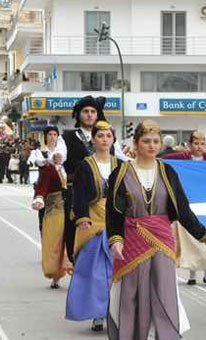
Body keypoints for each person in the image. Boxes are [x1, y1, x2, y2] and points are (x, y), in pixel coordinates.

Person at [106, 119, 206, 339]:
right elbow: (114, 212)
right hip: (132, 242)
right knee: (131, 294)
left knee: (164, 293)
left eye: (155, 141)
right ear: (136, 144)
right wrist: (116, 240)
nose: (152, 145)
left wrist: (204, 234)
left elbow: (182, 209)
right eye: (146, 141)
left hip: (162, 241)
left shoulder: (168, 172)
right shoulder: (121, 173)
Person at [55, 95, 126, 261]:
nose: (89, 114)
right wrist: (57, 157)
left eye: (93, 111)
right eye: (85, 111)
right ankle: (78, 268)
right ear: (78, 114)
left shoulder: (108, 136)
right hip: (78, 194)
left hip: (108, 197)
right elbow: (59, 154)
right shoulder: (67, 137)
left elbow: (123, 158)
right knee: (75, 235)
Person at [67, 120, 122, 331]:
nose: (105, 139)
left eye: (108, 136)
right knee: (97, 272)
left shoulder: (121, 165)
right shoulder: (85, 165)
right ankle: (98, 313)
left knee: (118, 270)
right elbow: (79, 193)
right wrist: (82, 217)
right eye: (100, 136)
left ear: (113, 139)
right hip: (93, 220)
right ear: (93, 139)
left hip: (116, 219)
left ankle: (116, 311)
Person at [161, 130, 206, 285]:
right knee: (192, 241)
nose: (199, 146)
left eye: (202, 143)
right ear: (189, 145)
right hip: (189, 205)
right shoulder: (180, 158)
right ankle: (192, 275)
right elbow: (161, 159)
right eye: (196, 143)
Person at [31, 152, 70, 289]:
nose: (58, 155)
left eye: (60, 153)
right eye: (55, 154)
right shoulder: (48, 169)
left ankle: (74, 272)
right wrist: (39, 198)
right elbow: (42, 187)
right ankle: (55, 275)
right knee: (55, 242)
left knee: (72, 241)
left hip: (71, 210)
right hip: (55, 211)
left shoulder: (70, 167)